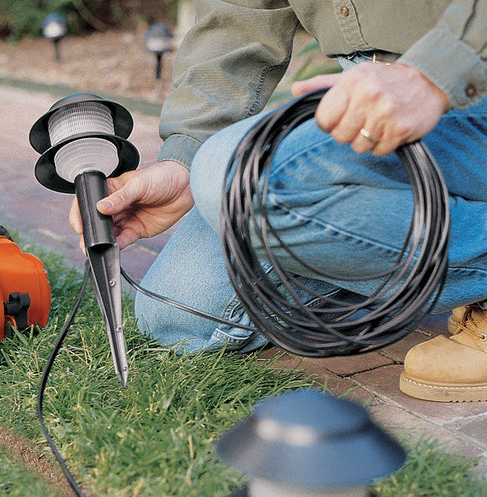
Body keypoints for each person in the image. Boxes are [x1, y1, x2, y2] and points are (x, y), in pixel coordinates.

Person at [69, 1, 487, 402]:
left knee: (232, 177)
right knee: (177, 316)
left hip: (468, 78)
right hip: (359, 92)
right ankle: (421, 257)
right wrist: (184, 162)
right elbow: (237, 19)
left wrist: (435, 71)